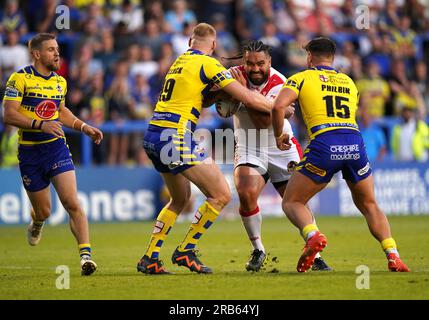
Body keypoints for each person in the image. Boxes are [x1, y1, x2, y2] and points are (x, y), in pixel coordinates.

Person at [136, 23, 273, 274]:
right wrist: (280, 108)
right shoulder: (208, 63)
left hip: (154, 133)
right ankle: (186, 250)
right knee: (221, 193)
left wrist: (220, 93)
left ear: (190, 41)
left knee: (179, 199)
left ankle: (150, 257)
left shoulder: (179, 62)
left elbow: (203, 97)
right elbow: (249, 98)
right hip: (175, 136)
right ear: (213, 44)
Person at [272, 37, 409, 273]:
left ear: (309, 57)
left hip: (325, 142)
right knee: (369, 204)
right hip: (355, 142)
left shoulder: (301, 78)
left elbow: (277, 107)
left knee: (293, 201)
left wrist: (278, 136)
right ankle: (393, 255)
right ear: (332, 57)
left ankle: (313, 236)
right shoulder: (348, 81)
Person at [2, 33, 103, 276]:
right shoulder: (19, 79)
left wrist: (83, 126)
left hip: (56, 147)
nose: (57, 53)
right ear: (36, 54)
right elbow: (9, 114)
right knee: (44, 211)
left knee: (71, 202)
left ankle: (85, 257)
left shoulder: (59, 82)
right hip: (30, 152)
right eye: (50, 50)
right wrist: (39, 124)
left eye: (57, 49)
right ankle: (37, 223)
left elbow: (61, 111)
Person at [225, 40, 331, 272]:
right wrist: (227, 91)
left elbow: (264, 123)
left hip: (282, 145)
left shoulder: (279, 81)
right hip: (249, 146)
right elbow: (220, 108)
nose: (255, 69)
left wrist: (244, 94)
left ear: (269, 62)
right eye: (250, 64)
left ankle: (316, 254)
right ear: (244, 62)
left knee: (296, 200)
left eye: (260, 63)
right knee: (245, 191)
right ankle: (258, 249)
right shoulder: (232, 77)